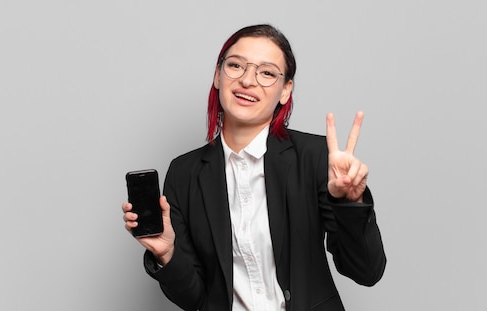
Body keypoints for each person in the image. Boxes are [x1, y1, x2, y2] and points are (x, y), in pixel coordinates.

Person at [122, 24, 386, 311]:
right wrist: (168, 254)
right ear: (217, 76)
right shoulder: (184, 173)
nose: (248, 80)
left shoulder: (316, 157)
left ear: (285, 91)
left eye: (267, 73)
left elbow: (366, 272)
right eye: (235, 65)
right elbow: (195, 298)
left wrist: (350, 202)